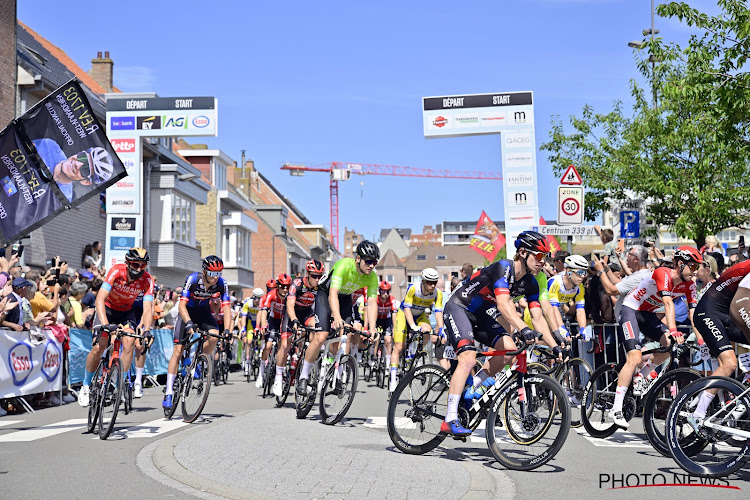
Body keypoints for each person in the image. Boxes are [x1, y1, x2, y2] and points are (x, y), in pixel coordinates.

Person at [441, 231, 561, 436]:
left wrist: (555, 346)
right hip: (459, 307)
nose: (543, 262)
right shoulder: (503, 267)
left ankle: (471, 391)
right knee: (468, 358)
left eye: (545, 257)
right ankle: (450, 418)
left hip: (480, 315)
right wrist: (523, 328)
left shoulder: (530, 282)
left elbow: (538, 318)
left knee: (509, 351)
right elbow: (504, 306)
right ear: (523, 253)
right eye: (540, 256)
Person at [608, 246, 702, 428]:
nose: (695, 271)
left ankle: (642, 376)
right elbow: (667, 303)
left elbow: (693, 314)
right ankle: (616, 408)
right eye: (693, 266)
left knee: (669, 345)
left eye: (698, 267)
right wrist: (673, 329)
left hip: (647, 315)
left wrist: (701, 340)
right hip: (631, 311)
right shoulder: (663, 273)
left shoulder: (690, 284)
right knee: (634, 357)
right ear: (680, 265)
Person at [296, 240, 380, 396]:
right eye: (368, 261)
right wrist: (336, 317)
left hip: (345, 299)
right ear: (358, 259)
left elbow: (373, 302)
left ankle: (338, 376)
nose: (371, 265)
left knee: (343, 338)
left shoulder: (372, 277)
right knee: (321, 337)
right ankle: (303, 376)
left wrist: (373, 328)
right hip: (325, 294)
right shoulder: (344, 265)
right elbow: (333, 293)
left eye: (374, 262)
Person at [78, 248, 154, 407]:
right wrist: (105, 324)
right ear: (127, 263)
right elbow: (99, 299)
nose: (139, 269)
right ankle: (85, 385)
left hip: (126, 312)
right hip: (106, 309)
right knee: (100, 347)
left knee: (129, 342)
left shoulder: (147, 280)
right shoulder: (116, 271)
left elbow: (148, 309)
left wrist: (147, 329)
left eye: (143, 265)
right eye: (135, 264)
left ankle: (120, 383)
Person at [163, 256, 232, 409]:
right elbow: (181, 305)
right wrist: (188, 323)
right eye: (213, 274)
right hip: (187, 312)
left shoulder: (222, 284)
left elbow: (226, 308)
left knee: (214, 335)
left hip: (203, 312)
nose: (216, 278)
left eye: (219, 274)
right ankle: (168, 392)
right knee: (178, 350)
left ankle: (197, 360)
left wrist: (228, 330)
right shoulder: (193, 279)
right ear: (204, 271)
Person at [273, 260, 324, 396]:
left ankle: (306, 368)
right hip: (292, 313)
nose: (317, 279)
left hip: (307, 313)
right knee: (285, 344)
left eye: (320, 276)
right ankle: (278, 377)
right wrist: (294, 320)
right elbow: (290, 305)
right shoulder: (297, 284)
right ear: (307, 274)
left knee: (318, 329)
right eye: (314, 276)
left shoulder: (320, 286)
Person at [389, 268, 444, 392]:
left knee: (427, 330)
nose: (433, 285)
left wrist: (441, 329)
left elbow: (438, 312)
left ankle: (417, 356)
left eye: (435, 282)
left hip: (420, 314)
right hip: (404, 314)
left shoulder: (437, 293)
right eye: (430, 282)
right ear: (423, 281)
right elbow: (407, 309)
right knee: (398, 347)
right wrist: (412, 326)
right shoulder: (413, 288)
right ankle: (393, 380)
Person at [32, 139, 115, 201]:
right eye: (83, 157)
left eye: (85, 170)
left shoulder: (63, 198)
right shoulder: (50, 146)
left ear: (85, 182)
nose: (77, 164)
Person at [593, 245, 651, 320]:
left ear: (636, 259)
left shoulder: (640, 277)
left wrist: (601, 271)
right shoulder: (638, 274)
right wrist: (606, 268)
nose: (627, 256)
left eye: (630, 254)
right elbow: (618, 283)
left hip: (631, 322)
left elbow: (611, 290)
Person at [256, 273, 292, 390]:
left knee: (283, 346)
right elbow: (264, 311)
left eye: (287, 286)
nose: (285, 289)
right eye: (282, 286)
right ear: (278, 286)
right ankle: (261, 373)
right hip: (273, 320)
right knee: (268, 345)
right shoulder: (272, 294)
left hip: (284, 321)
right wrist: (263, 325)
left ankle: (278, 374)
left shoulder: (290, 296)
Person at [240, 288, 264, 374]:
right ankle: (247, 362)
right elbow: (243, 317)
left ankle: (260, 354)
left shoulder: (263, 304)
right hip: (250, 323)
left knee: (261, 340)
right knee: (249, 342)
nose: (257, 301)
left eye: (259, 298)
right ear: (253, 297)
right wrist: (243, 328)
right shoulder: (247, 303)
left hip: (260, 323)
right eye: (256, 298)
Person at [375, 281, 398, 370]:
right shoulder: (376, 299)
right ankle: (373, 356)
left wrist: (395, 328)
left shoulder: (392, 299)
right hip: (376, 319)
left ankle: (388, 363)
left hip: (386, 320)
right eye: (383, 291)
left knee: (388, 340)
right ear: (379, 291)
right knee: (375, 337)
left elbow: (394, 314)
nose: (385, 294)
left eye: (387, 291)